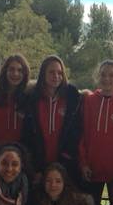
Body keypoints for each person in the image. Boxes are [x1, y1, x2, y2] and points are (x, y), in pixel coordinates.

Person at [21, 55, 83, 184]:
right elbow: (27, 135)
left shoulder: (71, 98)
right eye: (51, 72)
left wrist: (67, 158)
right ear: (43, 73)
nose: (56, 76)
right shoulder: (32, 99)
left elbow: (76, 132)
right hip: (38, 163)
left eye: (60, 72)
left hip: (64, 163)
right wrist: (33, 166)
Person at [78, 59, 113, 204]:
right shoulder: (89, 101)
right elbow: (83, 135)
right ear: (98, 77)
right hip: (92, 169)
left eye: (112, 75)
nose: (107, 79)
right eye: (103, 75)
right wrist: (83, 163)